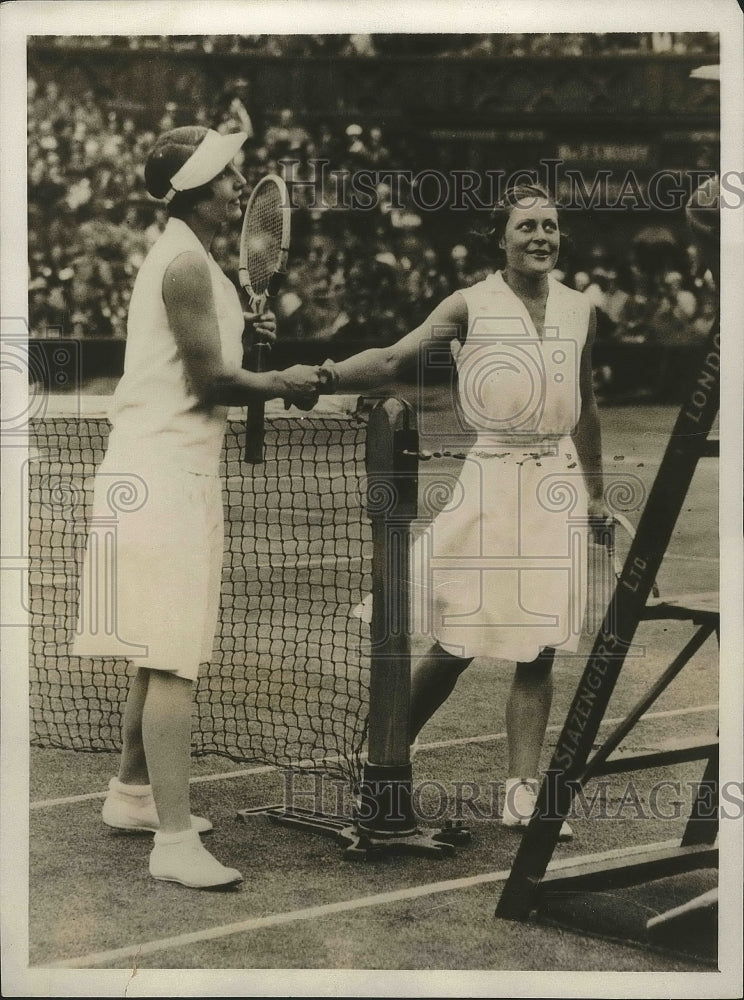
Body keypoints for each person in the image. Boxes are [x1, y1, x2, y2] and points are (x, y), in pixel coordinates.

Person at [73, 126, 322, 888]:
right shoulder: (185, 263)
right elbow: (214, 381)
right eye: (229, 174)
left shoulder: (195, 261)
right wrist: (288, 380)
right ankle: (174, 844)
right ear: (205, 185)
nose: (240, 184)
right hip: (159, 477)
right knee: (175, 660)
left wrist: (253, 347)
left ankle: (132, 794)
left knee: (157, 652)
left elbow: (215, 365)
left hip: (164, 472)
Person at [320, 183, 607, 838]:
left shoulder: (579, 308)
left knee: (540, 649)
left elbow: (587, 405)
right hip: (491, 484)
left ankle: (522, 792)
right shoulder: (468, 304)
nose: (541, 237)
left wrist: (592, 492)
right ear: (500, 238)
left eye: (551, 227)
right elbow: (394, 356)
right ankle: (382, 760)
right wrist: (325, 375)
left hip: (555, 485)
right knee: (455, 645)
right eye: (527, 226)